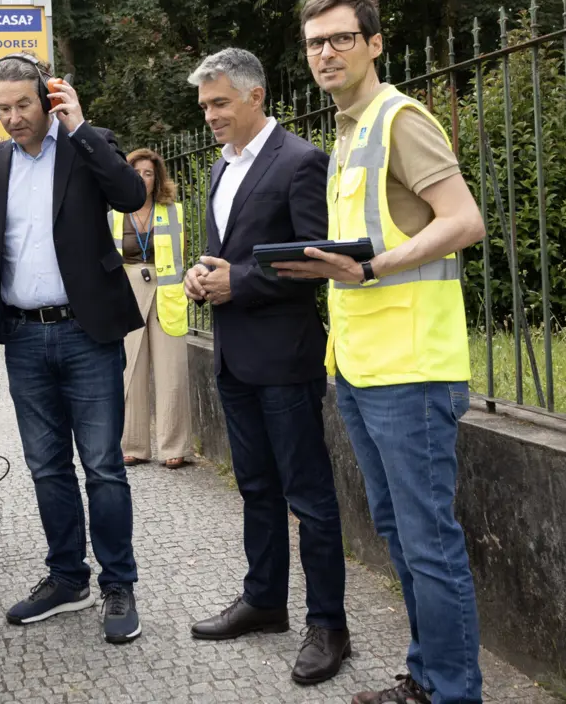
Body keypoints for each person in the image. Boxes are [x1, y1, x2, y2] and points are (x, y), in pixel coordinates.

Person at [274, 0, 487, 704]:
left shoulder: (401, 120)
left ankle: (452, 692)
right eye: (314, 44)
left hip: (413, 369)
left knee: (429, 546)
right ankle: (427, 680)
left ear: (374, 43)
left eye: (339, 39)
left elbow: (464, 221)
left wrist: (368, 268)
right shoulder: (348, 132)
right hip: (365, 368)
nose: (325, 53)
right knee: (404, 540)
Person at [0, 53, 147, 644]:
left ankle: (118, 583)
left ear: (49, 98)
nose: (15, 116)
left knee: (103, 466)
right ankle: (66, 577)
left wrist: (79, 129)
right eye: (3, 108)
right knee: (47, 465)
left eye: (24, 104)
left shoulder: (86, 143)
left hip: (86, 333)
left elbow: (130, 196)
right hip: (24, 335)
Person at [182, 47, 350, 685]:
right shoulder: (223, 167)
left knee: (309, 496)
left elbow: (314, 258)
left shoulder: (301, 160)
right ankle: (265, 601)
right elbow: (227, 252)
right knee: (255, 489)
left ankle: (329, 622)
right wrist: (204, 275)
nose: (210, 117)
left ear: (256, 96)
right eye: (204, 107)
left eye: (220, 103)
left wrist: (240, 283)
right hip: (233, 356)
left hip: (284, 357)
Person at [111, 148, 191, 469]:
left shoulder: (174, 211)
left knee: (172, 371)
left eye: (148, 173)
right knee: (130, 371)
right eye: (137, 172)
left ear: (157, 178)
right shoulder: (115, 214)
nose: (143, 178)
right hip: (128, 291)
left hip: (166, 293)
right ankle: (133, 445)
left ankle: (175, 445)